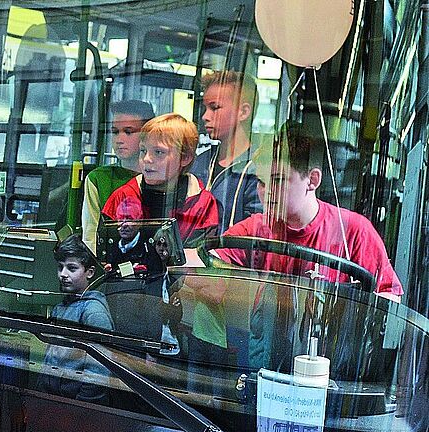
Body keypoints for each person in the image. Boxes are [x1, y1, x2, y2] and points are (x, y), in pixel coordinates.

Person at [216, 126, 403, 299]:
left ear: (312, 180)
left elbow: (389, 296)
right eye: (261, 181)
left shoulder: (354, 232)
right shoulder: (256, 228)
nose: (266, 191)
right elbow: (208, 259)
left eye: (278, 180)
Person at [102, 113, 221, 246]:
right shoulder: (122, 197)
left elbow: (200, 255)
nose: (146, 159)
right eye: (143, 150)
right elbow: (107, 252)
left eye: (158, 152)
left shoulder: (203, 204)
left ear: (185, 158)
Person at [38, 235, 113, 404]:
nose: (63, 274)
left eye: (72, 268)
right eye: (60, 267)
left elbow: (98, 373)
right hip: (54, 401)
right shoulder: (62, 307)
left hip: (74, 407)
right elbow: (49, 359)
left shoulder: (94, 313)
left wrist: (81, 406)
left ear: (90, 272)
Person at [191, 70, 263, 229]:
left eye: (214, 107)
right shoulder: (199, 163)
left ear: (243, 112)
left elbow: (254, 233)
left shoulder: (258, 170)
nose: (205, 116)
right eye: (205, 108)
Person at [81, 99, 155, 250]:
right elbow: (90, 235)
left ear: (148, 135)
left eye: (128, 132)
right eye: (115, 132)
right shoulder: (98, 179)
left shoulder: (160, 177)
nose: (119, 140)